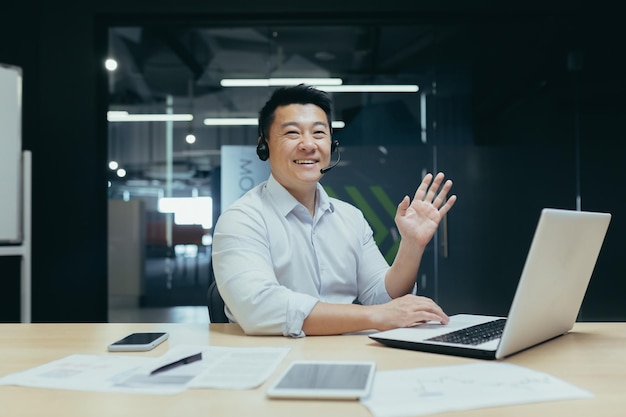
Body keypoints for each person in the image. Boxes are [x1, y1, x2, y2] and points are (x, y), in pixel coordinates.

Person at [211, 84, 456, 337]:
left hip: (348, 352)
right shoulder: (242, 219)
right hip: (273, 359)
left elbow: (381, 297)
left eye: (319, 133)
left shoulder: (350, 217)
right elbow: (259, 309)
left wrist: (412, 246)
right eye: (292, 133)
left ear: (332, 144)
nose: (308, 144)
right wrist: (375, 316)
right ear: (265, 145)